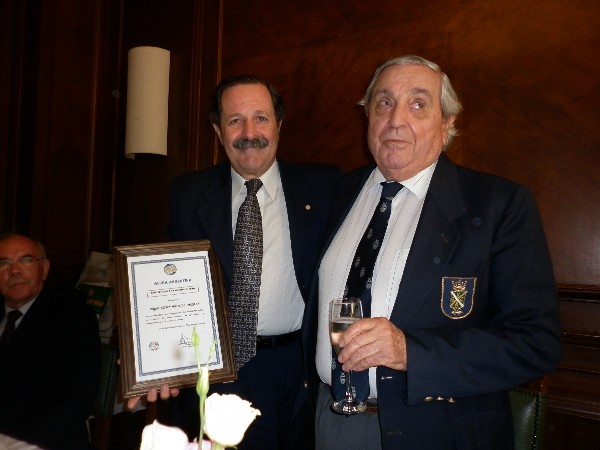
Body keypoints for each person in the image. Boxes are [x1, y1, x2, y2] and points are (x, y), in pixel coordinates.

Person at [302, 55, 562, 449]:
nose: (395, 120)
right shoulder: (342, 192)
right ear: (367, 117)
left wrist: (411, 351)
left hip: (438, 431)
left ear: (447, 125)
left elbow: (535, 344)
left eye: (418, 104)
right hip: (331, 421)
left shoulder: (497, 205)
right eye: (383, 103)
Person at [146, 75, 340, 450]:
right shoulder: (188, 194)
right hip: (219, 369)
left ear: (279, 125)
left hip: (298, 368)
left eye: (261, 118)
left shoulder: (325, 186)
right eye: (235, 121)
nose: (249, 132)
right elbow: (168, 284)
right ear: (219, 131)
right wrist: (154, 354)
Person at [0, 233, 101, 450]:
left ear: (44, 269)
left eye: (26, 260)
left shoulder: (72, 318)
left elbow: (73, 406)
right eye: (4, 263)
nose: (14, 270)